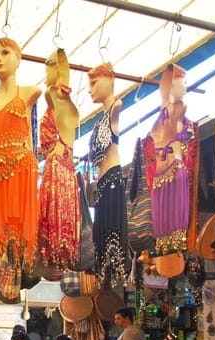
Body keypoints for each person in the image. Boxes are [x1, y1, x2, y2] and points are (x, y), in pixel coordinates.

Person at [0, 37, 41, 271]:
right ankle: (2, 267)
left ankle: (17, 265)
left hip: (20, 172)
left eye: (4, 53)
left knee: (18, 233)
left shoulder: (30, 93)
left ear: (18, 58)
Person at [38, 48, 80, 270]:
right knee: (60, 227)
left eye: (47, 70)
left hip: (56, 167)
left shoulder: (52, 95)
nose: (45, 76)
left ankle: (57, 255)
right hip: (67, 169)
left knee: (53, 223)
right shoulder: (67, 102)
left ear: (55, 69)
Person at [145, 63, 194, 253]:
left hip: (168, 175)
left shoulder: (173, 115)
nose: (186, 88)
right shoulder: (176, 110)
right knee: (168, 227)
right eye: (183, 83)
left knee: (171, 228)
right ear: (171, 86)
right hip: (170, 175)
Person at [88, 61, 128, 286]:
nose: (90, 89)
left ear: (110, 79)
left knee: (111, 236)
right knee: (101, 241)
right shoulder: (100, 119)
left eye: (95, 82)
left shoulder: (116, 108)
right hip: (103, 186)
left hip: (112, 181)